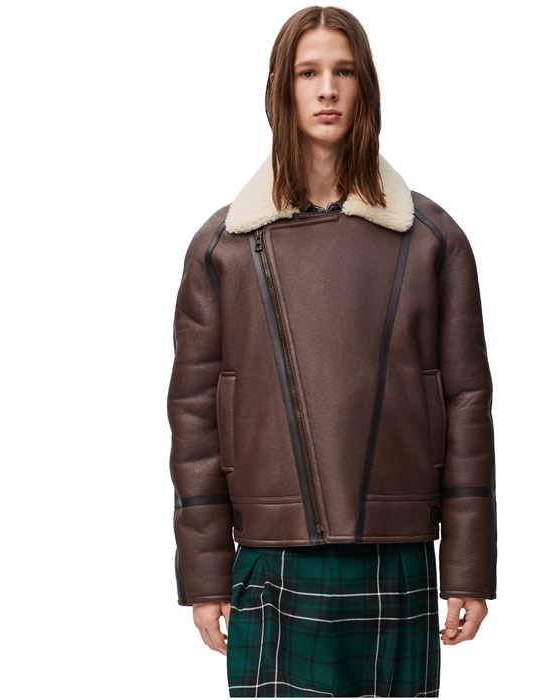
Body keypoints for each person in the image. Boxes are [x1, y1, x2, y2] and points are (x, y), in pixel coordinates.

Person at [167, 5, 497, 697]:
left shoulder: (431, 239)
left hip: (397, 551)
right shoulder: (224, 247)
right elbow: (194, 417)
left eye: (343, 72)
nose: (326, 90)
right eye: (307, 72)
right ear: (280, 89)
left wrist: (467, 566)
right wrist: (204, 574)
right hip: (271, 554)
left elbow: (467, 401)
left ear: (365, 86)